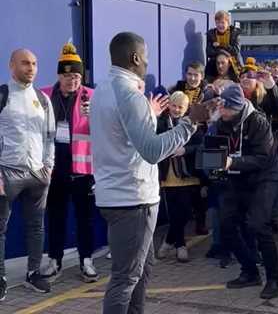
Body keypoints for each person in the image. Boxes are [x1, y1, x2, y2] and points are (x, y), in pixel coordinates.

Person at [90, 32, 206, 314]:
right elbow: (152, 151)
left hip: (118, 195)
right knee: (127, 277)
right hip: (133, 198)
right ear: (135, 58)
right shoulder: (131, 96)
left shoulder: (103, 89)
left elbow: (125, 137)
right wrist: (189, 123)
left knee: (139, 271)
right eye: (146, 57)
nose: (147, 63)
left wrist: (151, 115)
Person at [212, 83, 278, 300]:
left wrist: (231, 162)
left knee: (257, 224)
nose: (220, 111)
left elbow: (262, 158)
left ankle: (274, 278)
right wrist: (213, 169)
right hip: (237, 177)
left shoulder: (258, 122)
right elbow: (215, 152)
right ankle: (250, 271)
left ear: (235, 107)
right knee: (226, 223)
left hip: (265, 177)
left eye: (224, 107)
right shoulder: (221, 122)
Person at [40, 42, 98, 283]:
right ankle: (55, 260)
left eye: (76, 75)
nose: (72, 80)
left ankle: (86, 260)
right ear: (58, 75)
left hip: (83, 171)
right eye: (67, 75)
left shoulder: (92, 97)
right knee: (55, 217)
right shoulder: (43, 95)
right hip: (53, 170)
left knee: (85, 219)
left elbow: (105, 133)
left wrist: (93, 117)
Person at [0, 49, 55, 300]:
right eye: (24, 63)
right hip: (6, 173)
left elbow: (50, 137)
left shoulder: (43, 99)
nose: (30, 68)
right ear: (12, 66)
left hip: (37, 174)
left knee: (36, 227)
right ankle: (1, 278)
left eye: (34, 63)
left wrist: (49, 168)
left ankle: (34, 272)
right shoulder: (3, 95)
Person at [156, 92, 204, 263]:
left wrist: (185, 150)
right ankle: (180, 245)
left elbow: (201, 145)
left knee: (185, 211)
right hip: (167, 174)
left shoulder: (192, 123)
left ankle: (169, 241)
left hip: (188, 174)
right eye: (174, 106)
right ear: (168, 105)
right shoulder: (160, 122)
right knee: (174, 212)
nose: (176, 110)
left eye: (180, 107)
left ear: (186, 108)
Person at [206, 10, 242, 80]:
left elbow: (235, 51)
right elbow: (209, 52)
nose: (220, 25)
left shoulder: (235, 33)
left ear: (228, 23)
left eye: (222, 22)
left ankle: (237, 79)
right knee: (210, 67)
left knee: (239, 75)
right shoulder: (211, 34)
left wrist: (220, 45)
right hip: (217, 60)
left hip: (233, 61)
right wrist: (222, 52)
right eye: (217, 23)